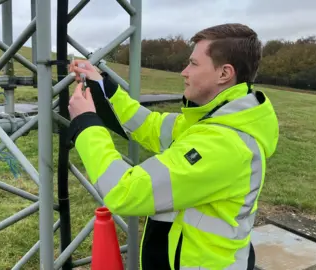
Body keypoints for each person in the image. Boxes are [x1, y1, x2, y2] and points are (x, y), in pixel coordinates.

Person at [67, 23, 279, 270]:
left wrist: (86, 124)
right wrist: (103, 85)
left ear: (224, 74)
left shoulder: (223, 143)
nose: (184, 72)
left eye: (194, 64)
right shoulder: (214, 119)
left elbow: (125, 191)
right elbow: (150, 126)